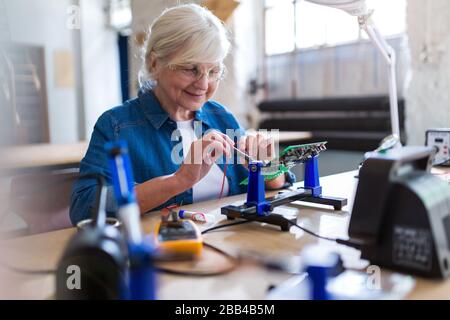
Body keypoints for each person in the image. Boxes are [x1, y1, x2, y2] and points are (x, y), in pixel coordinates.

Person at [70, 4, 295, 225]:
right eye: (190, 69)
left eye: (214, 71)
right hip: (159, 253)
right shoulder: (116, 125)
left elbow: (268, 188)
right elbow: (85, 208)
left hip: (229, 249)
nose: (204, 84)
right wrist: (178, 181)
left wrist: (270, 170)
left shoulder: (222, 117)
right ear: (155, 63)